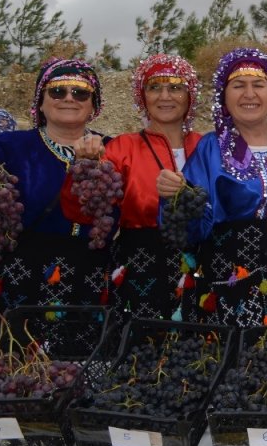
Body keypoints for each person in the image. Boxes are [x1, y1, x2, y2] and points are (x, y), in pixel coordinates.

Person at [157, 48, 267, 326]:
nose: (249, 94)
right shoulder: (210, 148)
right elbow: (191, 228)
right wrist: (176, 196)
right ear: (224, 96)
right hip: (228, 272)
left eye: (259, 85)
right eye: (238, 86)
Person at [64, 54, 203, 319]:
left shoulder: (208, 146)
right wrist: (84, 169)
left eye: (175, 87)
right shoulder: (122, 147)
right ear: (143, 96)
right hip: (141, 267)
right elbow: (83, 213)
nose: (165, 96)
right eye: (154, 87)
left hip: (201, 263)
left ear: (189, 97)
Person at [0, 59, 111, 312]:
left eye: (81, 92)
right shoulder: (11, 146)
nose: (69, 98)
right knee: (21, 349)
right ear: (41, 101)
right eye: (57, 91)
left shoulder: (115, 149)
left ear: (93, 104)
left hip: (90, 277)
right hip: (21, 278)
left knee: (87, 350)